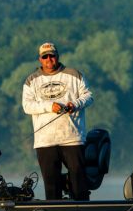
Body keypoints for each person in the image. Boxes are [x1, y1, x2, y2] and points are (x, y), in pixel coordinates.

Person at [22, 42, 93, 200]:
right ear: (40, 59)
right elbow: (27, 106)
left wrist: (74, 104)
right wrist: (49, 106)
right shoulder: (31, 80)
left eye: (51, 56)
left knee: (79, 183)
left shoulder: (74, 74)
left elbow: (88, 96)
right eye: (45, 56)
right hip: (45, 141)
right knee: (52, 187)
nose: (49, 59)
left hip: (72, 138)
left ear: (57, 56)